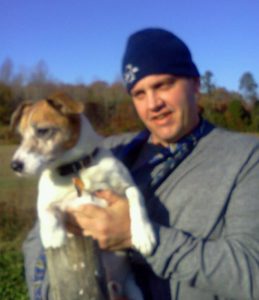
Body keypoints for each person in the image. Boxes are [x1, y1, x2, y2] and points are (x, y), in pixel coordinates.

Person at [23, 28, 259, 300]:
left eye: (164, 85)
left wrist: (136, 236)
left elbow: (252, 275)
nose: (153, 104)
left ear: (196, 85)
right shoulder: (105, 151)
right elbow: (35, 241)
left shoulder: (246, 158)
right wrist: (59, 292)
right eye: (139, 93)